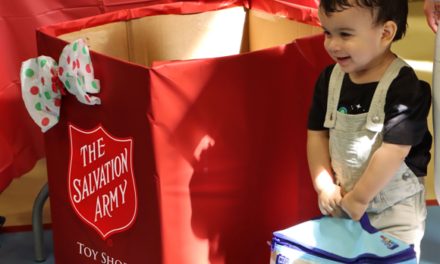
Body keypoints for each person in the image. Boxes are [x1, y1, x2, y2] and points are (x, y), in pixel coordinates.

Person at [307, 0, 432, 261]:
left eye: (345, 34)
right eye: (327, 32)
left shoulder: (405, 88)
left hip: (394, 208)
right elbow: (317, 134)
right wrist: (324, 186)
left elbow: (394, 151)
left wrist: (361, 197)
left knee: (394, 258)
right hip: (343, 200)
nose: (332, 44)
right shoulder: (329, 79)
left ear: (385, 33)